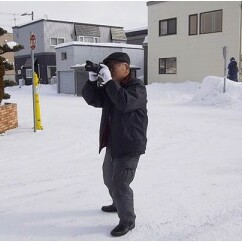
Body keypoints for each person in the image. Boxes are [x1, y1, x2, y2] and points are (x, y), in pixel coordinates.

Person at [82, 52, 148, 237]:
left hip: (129, 145)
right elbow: (93, 100)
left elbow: (124, 103)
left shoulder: (137, 87)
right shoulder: (114, 87)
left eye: (113, 66)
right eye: (107, 66)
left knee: (120, 183)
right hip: (113, 143)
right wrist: (92, 81)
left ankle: (128, 220)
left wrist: (109, 81)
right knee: (108, 178)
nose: (109, 69)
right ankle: (117, 203)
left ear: (126, 68)